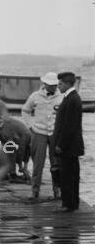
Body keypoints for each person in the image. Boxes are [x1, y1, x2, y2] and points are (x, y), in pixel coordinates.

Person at [21, 72, 64, 200]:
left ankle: (57, 190)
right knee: (37, 164)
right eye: (49, 84)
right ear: (44, 84)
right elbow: (25, 111)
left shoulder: (62, 97)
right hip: (38, 133)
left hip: (55, 134)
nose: (52, 87)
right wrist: (30, 126)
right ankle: (35, 190)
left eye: (54, 85)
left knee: (56, 164)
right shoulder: (35, 96)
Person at [53, 72, 84, 212]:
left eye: (60, 84)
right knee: (71, 175)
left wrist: (60, 145)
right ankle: (72, 203)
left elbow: (69, 126)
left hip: (68, 146)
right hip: (71, 145)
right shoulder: (71, 98)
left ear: (67, 84)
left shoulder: (72, 99)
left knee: (67, 175)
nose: (58, 86)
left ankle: (68, 205)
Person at [0, 117, 32, 182]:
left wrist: (24, 168)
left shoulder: (28, 141)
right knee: (10, 150)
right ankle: (12, 175)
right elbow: (21, 152)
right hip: (5, 128)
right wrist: (20, 167)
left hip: (5, 129)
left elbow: (25, 155)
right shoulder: (27, 136)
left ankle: (3, 173)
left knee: (7, 150)